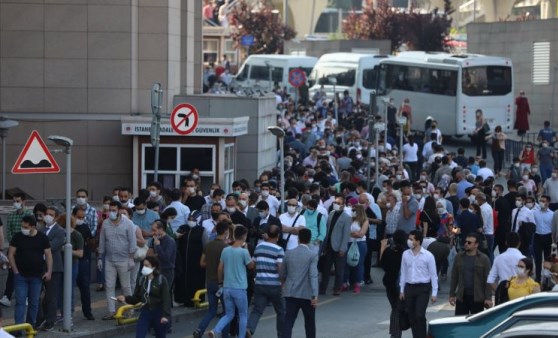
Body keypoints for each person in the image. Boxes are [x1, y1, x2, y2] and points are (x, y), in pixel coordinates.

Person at [207, 225, 254, 338]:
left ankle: (215, 330)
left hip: (226, 287)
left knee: (229, 314)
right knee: (243, 314)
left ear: (234, 235)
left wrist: (220, 283)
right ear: (244, 236)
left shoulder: (225, 250)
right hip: (240, 288)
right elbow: (251, 266)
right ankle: (241, 336)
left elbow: (219, 268)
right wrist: (247, 249)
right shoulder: (243, 252)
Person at [8, 215, 52, 329]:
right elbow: (11, 254)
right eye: (22, 226)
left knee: (34, 303)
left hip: (36, 276)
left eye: (26, 227)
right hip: (20, 276)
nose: (23, 229)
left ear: (33, 227)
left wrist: (49, 272)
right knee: (20, 302)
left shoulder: (42, 238)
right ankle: (18, 328)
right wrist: (15, 271)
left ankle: (30, 326)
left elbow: (48, 255)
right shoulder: (18, 237)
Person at [97, 201, 137, 320]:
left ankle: (129, 310)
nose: (111, 212)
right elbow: (102, 241)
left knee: (126, 286)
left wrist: (131, 258)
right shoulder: (105, 223)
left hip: (124, 259)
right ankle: (111, 311)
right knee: (109, 286)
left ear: (119, 210)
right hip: (109, 259)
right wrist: (100, 257)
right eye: (110, 210)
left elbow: (132, 242)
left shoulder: (128, 224)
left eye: (114, 210)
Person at [117, 256, 171, 338]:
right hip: (145, 312)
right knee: (139, 335)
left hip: (158, 312)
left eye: (147, 265)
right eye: (143, 265)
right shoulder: (141, 279)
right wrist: (125, 298)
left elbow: (166, 299)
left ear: (153, 267)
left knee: (160, 336)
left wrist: (165, 315)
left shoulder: (161, 280)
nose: (144, 268)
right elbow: (137, 297)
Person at [247, 224, 285, 337]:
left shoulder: (259, 246)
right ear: (278, 236)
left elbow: (253, 264)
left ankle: (249, 328)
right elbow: (280, 268)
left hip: (259, 283)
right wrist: (283, 281)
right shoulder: (279, 250)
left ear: (267, 234)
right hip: (274, 285)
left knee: (257, 310)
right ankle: (282, 335)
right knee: (281, 312)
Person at [193, 221, 230, 338]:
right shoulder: (226, 248)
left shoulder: (208, 245)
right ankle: (225, 334)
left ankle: (200, 329)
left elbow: (202, 263)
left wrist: (211, 262)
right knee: (227, 311)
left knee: (212, 310)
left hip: (210, 282)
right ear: (226, 232)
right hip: (222, 283)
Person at [399, 230, 438, 338]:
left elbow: (433, 275)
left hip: (423, 288)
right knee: (411, 317)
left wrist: (434, 293)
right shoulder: (405, 254)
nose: (409, 241)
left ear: (418, 241)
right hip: (409, 288)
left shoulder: (428, 256)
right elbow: (403, 272)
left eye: (412, 239)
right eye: (409, 239)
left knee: (419, 315)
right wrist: (402, 290)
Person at [280, 228, 318, 338]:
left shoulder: (288, 253)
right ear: (310, 239)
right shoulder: (312, 255)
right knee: (310, 322)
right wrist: (314, 295)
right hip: (307, 294)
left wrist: (283, 283)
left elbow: (282, 274)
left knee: (288, 320)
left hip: (291, 292)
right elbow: (313, 275)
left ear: (298, 239)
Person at [449, 233, 492, 315]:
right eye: (465, 242)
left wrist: (488, 298)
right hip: (462, 296)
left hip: (477, 297)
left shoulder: (484, 259)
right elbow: (454, 277)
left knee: (476, 324)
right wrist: (452, 294)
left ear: (476, 245)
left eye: (469, 242)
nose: (466, 244)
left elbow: (488, 280)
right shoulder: (459, 257)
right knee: (460, 322)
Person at [37, 206, 65, 331]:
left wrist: (41, 247)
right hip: (41, 266)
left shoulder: (59, 230)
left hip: (54, 267)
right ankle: (40, 318)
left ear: (56, 217)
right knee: (39, 295)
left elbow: (53, 246)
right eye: (47, 214)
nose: (48, 216)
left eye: (51, 214)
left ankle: (50, 321)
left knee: (51, 295)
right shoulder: (41, 229)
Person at [318, 196, 352, 296]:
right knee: (326, 269)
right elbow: (328, 230)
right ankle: (322, 288)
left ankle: (337, 288)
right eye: (335, 202)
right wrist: (324, 245)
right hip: (329, 246)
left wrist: (343, 248)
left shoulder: (346, 217)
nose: (335, 204)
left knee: (339, 270)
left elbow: (346, 234)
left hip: (339, 247)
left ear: (343, 205)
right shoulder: (332, 214)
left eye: (338, 203)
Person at [174, 211, 205, 307]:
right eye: (189, 219)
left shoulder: (202, 230)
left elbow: (205, 246)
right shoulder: (182, 228)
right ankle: (180, 299)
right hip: (182, 260)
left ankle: (196, 300)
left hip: (196, 261)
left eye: (194, 219)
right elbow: (176, 239)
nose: (191, 221)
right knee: (181, 280)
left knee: (195, 280)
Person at [380, 230, 407, 338]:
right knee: (397, 309)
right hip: (400, 285)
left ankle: (394, 333)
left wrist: (382, 247)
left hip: (389, 284)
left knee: (395, 308)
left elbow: (383, 264)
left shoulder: (388, 252)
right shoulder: (406, 253)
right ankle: (395, 334)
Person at [487, 232, 525, 304]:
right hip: (519, 295)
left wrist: (499, 291)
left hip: (502, 296)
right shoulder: (523, 259)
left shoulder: (499, 258)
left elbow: (490, 280)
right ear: (519, 243)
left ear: (506, 243)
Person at [73, 207, 95, 320]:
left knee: (85, 288)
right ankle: (67, 313)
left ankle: (88, 312)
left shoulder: (85, 227)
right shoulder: (68, 227)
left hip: (83, 261)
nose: (80, 219)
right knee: (69, 288)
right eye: (78, 217)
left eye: (82, 217)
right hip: (72, 261)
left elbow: (91, 241)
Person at [341, 204, 369, 294]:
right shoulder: (350, 220)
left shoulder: (364, 221)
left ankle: (357, 283)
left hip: (360, 243)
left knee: (358, 263)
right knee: (346, 263)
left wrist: (352, 233)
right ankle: (345, 282)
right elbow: (346, 231)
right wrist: (353, 233)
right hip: (349, 242)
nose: (353, 212)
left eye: (354, 210)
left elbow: (361, 234)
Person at [533, 196, 553, 282]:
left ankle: (547, 279)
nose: (541, 202)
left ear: (548, 203)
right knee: (538, 259)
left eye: (543, 201)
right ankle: (537, 278)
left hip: (548, 237)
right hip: (537, 237)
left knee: (547, 259)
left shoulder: (552, 214)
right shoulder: (535, 213)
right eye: (540, 200)